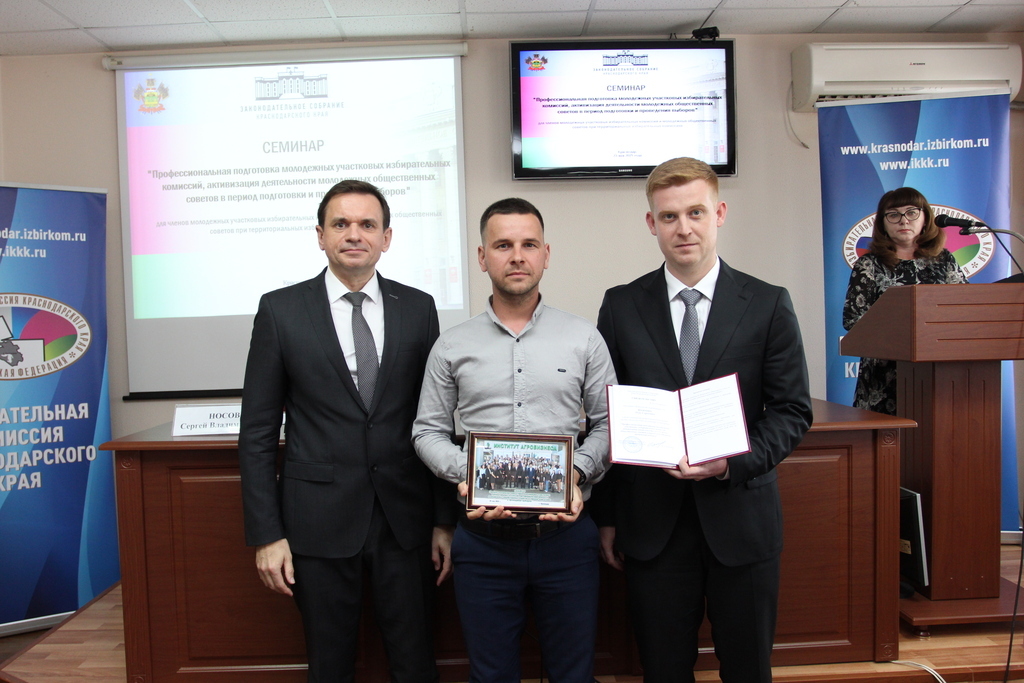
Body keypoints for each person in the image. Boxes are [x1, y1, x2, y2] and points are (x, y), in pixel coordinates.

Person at [593, 157, 813, 683]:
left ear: (719, 213)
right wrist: (607, 516)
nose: (684, 228)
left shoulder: (767, 303)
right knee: (663, 670)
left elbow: (791, 411)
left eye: (695, 212)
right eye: (669, 216)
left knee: (748, 670)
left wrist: (731, 462)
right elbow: (606, 415)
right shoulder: (620, 306)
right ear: (652, 223)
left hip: (741, 518)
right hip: (652, 525)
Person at [238, 179, 454, 683]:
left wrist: (444, 521)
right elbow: (258, 432)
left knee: (414, 661)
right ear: (320, 235)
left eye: (367, 224)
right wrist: (267, 534)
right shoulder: (280, 310)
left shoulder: (418, 307)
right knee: (329, 664)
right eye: (341, 224)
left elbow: (437, 419)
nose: (354, 234)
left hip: (406, 522)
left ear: (386, 238)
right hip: (317, 521)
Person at [413, 197, 617, 683]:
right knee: (490, 676)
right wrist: (469, 475)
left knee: (574, 675)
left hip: (567, 541)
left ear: (546, 254)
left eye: (529, 245)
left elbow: (612, 425)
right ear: (482, 257)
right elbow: (427, 430)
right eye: (503, 245)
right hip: (483, 544)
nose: (517, 256)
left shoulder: (584, 338)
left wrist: (574, 473)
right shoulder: (452, 345)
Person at [843, 186, 968, 415]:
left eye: (911, 212)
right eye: (893, 214)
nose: (903, 220)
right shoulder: (869, 264)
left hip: (939, 369)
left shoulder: (944, 260)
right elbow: (853, 319)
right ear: (883, 223)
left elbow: (965, 309)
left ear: (925, 218)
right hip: (884, 374)